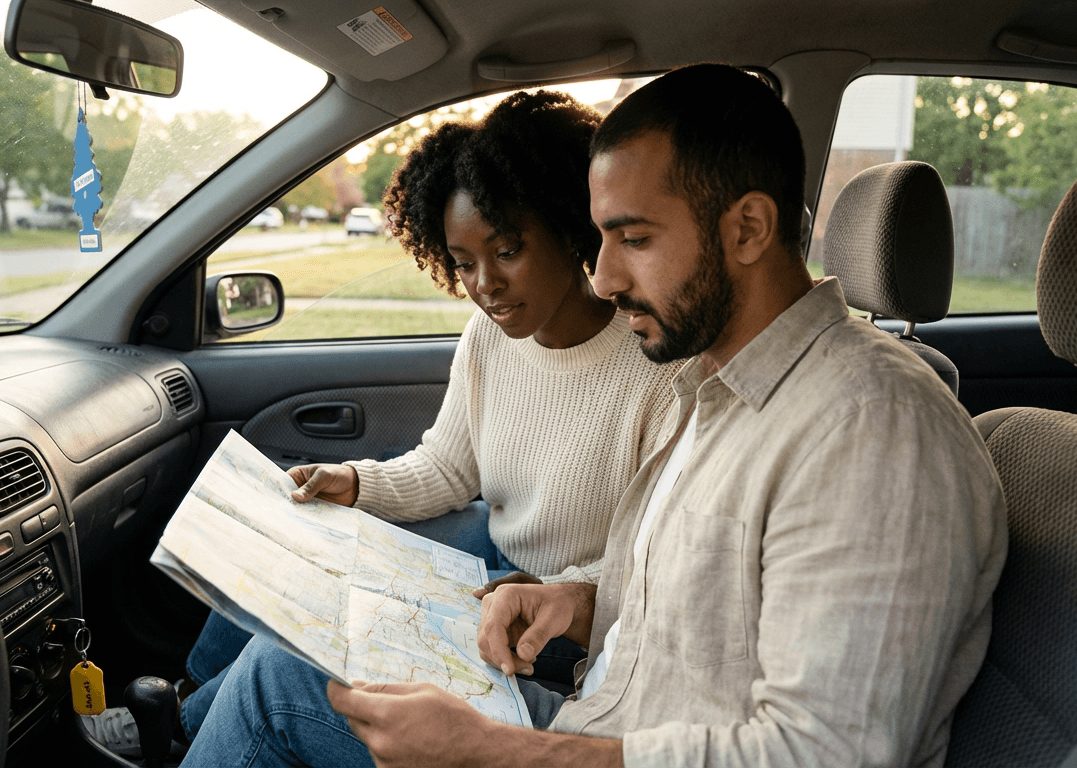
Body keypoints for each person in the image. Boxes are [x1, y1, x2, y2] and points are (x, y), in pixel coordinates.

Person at [179, 63, 1009, 768]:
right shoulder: (721, 388)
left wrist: (494, 752)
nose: (604, 277)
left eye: (633, 239)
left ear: (749, 228)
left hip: (587, 743)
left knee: (274, 692)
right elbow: (697, 607)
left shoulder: (872, 429)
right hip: (595, 713)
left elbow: (826, 754)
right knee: (290, 665)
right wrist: (578, 601)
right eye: (601, 239)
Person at [85, 89, 682, 755]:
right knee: (303, 525)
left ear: (571, 228)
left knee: (289, 662)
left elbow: (655, 571)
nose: (484, 284)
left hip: (558, 623)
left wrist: (559, 596)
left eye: (508, 250)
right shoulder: (489, 337)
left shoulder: (656, 366)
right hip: (496, 560)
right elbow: (448, 468)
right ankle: (187, 708)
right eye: (463, 263)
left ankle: (196, 727)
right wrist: (354, 483)